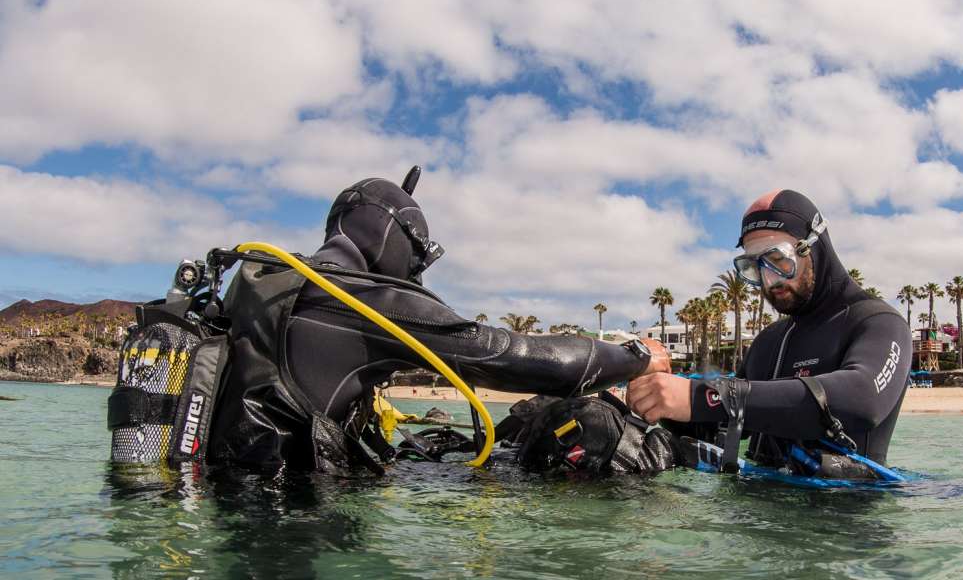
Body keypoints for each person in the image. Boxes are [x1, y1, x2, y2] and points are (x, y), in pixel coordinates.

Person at [109, 169, 669, 474]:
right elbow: (512, 356)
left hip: (223, 495)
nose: (418, 272)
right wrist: (636, 355)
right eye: (419, 255)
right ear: (393, 236)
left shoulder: (257, 282)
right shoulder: (363, 299)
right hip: (296, 525)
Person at [626, 189, 911, 471]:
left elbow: (862, 400)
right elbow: (717, 427)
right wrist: (659, 396)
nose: (770, 280)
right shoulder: (770, 340)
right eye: (754, 267)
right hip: (757, 512)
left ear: (813, 245)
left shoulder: (879, 323)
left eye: (778, 261)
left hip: (844, 513)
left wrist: (701, 397)